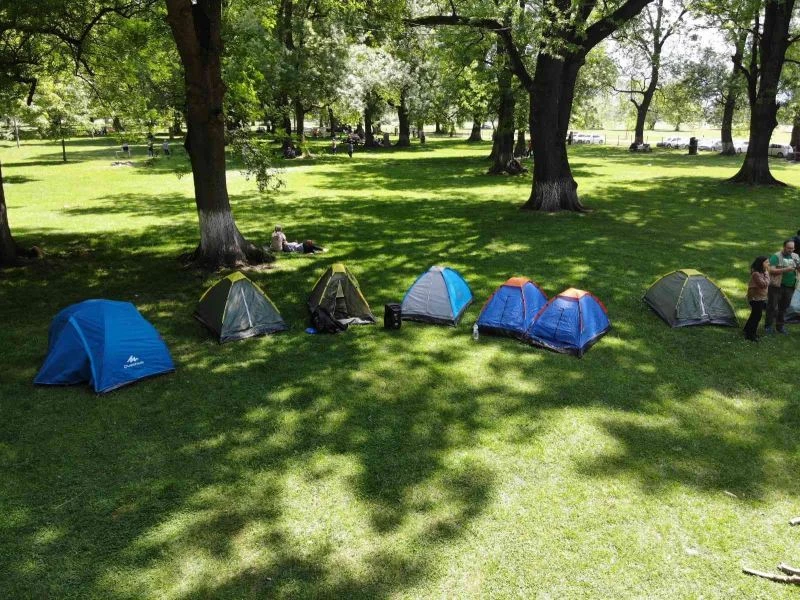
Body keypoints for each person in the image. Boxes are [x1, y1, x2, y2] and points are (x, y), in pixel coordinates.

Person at [765, 239, 799, 334]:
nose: (790, 250)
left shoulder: (795, 256)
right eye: (789, 248)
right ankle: (768, 326)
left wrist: (798, 265)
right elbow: (771, 270)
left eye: (792, 248)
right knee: (772, 306)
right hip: (776, 286)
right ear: (784, 247)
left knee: (784, 308)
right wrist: (785, 269)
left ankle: (780, 326)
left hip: (790, 286)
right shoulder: (776, 256)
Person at [744, 256, 770, 341]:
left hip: (760, 297)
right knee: (757, 316)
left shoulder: (763, 272)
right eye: (766, 262)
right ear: (761, 263)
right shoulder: (756, 274)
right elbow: (763, 284)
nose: (768, 263)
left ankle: (747, 330)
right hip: (755, 298)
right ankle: (751, 335)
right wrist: (767, 275)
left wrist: (766, 274)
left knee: (754, 315)